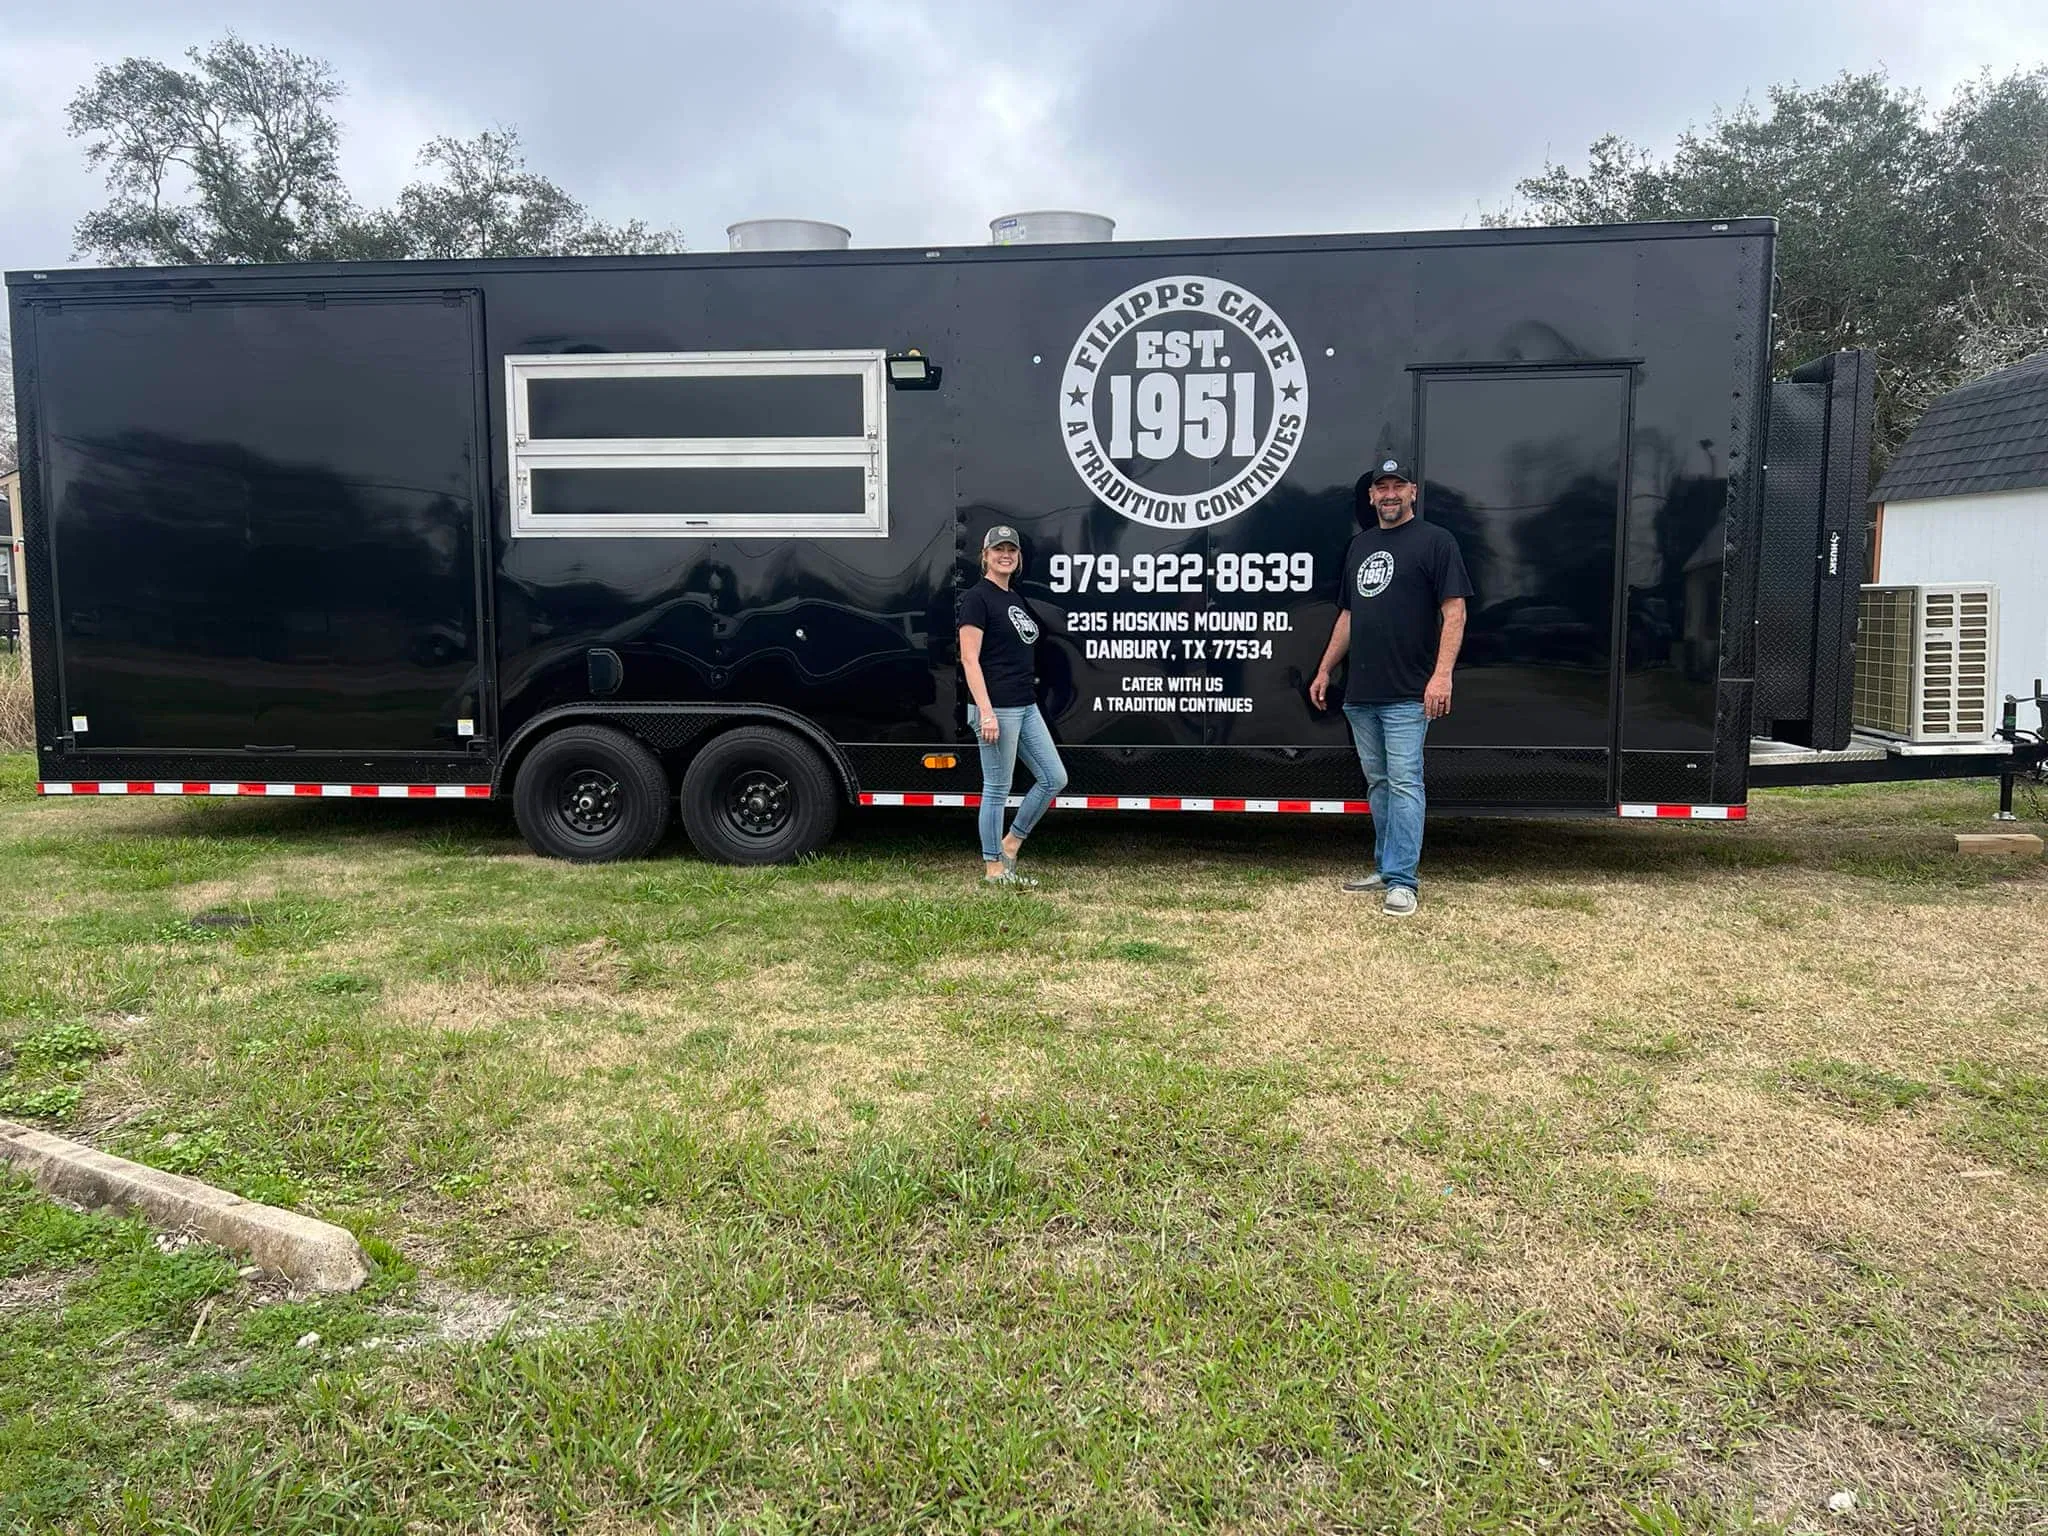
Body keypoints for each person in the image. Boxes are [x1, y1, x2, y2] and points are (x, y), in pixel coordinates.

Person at [1309, 458, 1472, 917]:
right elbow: (1349, 615)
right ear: (1370, 497)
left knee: (1404, 784)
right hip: (1361, 693)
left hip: (1407, 694)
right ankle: (1385, 867)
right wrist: (1325, 670)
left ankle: (1403, 881)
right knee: (1379, 783)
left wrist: (1441, 676)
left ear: (1414, 492)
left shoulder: (1437, 542)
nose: (1389, 494)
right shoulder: (1360, 547)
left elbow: (1454, 612)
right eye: (1381, 487)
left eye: (1398, 485)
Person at [958, 525, 1068, 886]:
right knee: (997, 788)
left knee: (1054, 777)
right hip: (997, 708)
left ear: (1018, 558)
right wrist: (985, 711)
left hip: (1024, 704)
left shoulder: (1013, 597)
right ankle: (993, 869)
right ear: (985, 555)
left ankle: (1011, 844)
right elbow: (970, 660)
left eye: (1011, 550)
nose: (1005, 554)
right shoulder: (977, 598)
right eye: (998, 549)